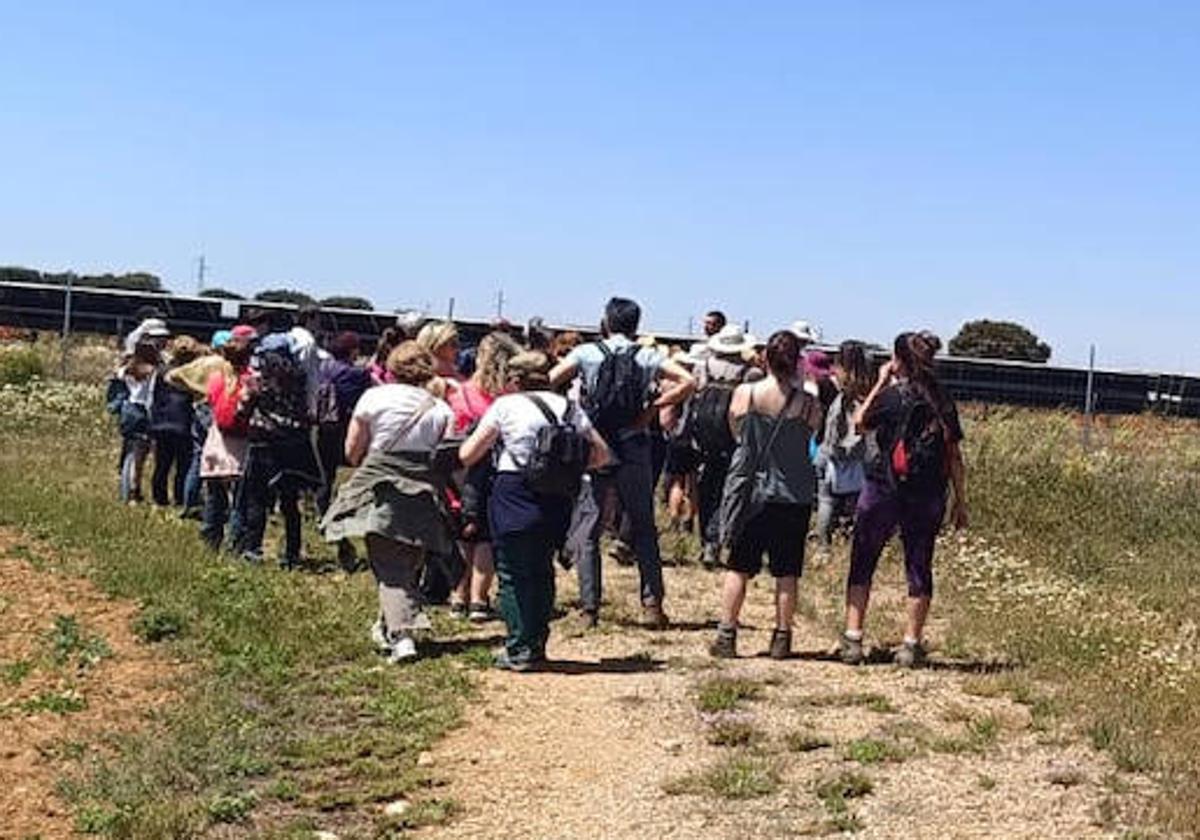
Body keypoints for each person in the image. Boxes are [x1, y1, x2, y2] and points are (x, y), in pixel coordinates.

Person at [549, 297, 695, 629]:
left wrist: (575, 414)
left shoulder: (586, 353)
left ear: (606, 321)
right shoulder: (646, 355)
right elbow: (688, 381)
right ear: (636, 324)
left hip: (596, 444)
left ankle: (589, 608)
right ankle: (652, 603)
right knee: (643, 526)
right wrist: (652, 410)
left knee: (590, 527)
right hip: (634, 444)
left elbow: (551, 377)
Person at [460, 351, 609, 670]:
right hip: (558, 496)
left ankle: (519, 647)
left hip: (514, 491)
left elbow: (469, 454)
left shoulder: (505, 406)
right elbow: (602, 455)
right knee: (542, 569)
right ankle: (537, 642)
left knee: (513, 573)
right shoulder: (570, 408)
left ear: (515, 380)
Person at [321, 342, 457, 663]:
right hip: (424, 493)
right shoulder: (440, 408)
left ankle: (402, 636)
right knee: (408, 563)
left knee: (389, 565)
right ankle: (386, 626)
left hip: (383, 488)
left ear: (392, 368)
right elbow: (447, 458)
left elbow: (352, 451)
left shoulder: (373, 397)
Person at [840, 331, 968, 668]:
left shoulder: (891, 397)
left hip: (883, 486)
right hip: (928, 493)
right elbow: (954, 454)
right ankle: (911, 644)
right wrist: (961, 500)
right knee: (919, 565)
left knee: (863, 560)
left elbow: (859, 423)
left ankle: (853, 638)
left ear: (898, 361)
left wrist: (880, 383)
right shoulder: (942, 400)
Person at [710, 331, 824, 660]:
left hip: (753, 492)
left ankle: (727, 634)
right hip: (794, 494)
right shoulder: (809, 404)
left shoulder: (746, 393)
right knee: (787, 571)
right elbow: (812, 434)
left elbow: (736, 431)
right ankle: (782, 637)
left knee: (738, 567)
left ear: (766, 359)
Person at [445, 331, 523, 621]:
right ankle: (479, 599)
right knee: (487, 537)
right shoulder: (509, 395)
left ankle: (457, 596)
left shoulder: (460, 392)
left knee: (463, 530)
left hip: (462, 468)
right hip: (495, 468)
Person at [237, 331, 322, 568]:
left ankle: (253, 549)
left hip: (264, 444)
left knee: (257, 499)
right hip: (294, 444)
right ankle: (292, 554)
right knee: (289, 501)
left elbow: (242, 409)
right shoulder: (300, 379)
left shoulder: (258, 381)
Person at [692, 324, 762, 568]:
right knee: (727, 488)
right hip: (732, 434)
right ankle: (715, 539)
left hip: (704, 434)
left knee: (706, 486)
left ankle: (705, 540)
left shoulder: (705, 366)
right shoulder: (749, 372)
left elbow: (696, 391)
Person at [167, 331, 234, 517]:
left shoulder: (201, 363)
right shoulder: (223, 364)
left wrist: (193, 389)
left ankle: (190, 503)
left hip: (198, 408)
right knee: (221, 456)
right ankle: (220, 505)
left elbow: (171, 376)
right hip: (216, 410)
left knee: (198, 457)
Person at [201, 326, 256, 551]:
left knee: (215, 498)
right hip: (240, 445)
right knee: (239, 501)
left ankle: (210, 541)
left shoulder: (215, 379)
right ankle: (237, 544)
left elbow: (210, 404)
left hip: (216, 443)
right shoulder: (251, 381)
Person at [814, 341, 873, 547]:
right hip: (857, 457)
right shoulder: (866, 390)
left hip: (830, 451)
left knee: (826, 499)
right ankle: (851, 540)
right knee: (856, 502)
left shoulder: (834, 382)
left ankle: (823, 544)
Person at [315, 331, 373, 516]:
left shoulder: (323, 367)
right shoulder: (358, 374)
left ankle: (320, 508)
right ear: (352, 351)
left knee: (326, 470)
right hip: (345, 426)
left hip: (323, 423)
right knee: (359, 466)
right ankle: (354, 506)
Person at [106, 341, 160, 503]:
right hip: (142, 411)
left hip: (128, 409)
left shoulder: (128, 369)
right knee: (140, 455)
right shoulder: (152, 372)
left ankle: (126, 484)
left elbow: (115, 376)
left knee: (129, 448)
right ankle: (133, 489)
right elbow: (151, 396)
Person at [149, 337, 201, 507]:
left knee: (162, 464)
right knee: (183, 465)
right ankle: (180, 497)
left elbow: (153, 396)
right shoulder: (191, 374)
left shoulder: (163, 371)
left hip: (161, 422)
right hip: (183, 423)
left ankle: (159, 498)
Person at [290, 305, 326, 418]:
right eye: (317, 319)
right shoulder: (308, 341)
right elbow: (309, 374)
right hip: (301, 399)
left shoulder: (291, 335)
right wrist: (312, 406)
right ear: (309, 319)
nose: (319, 323)